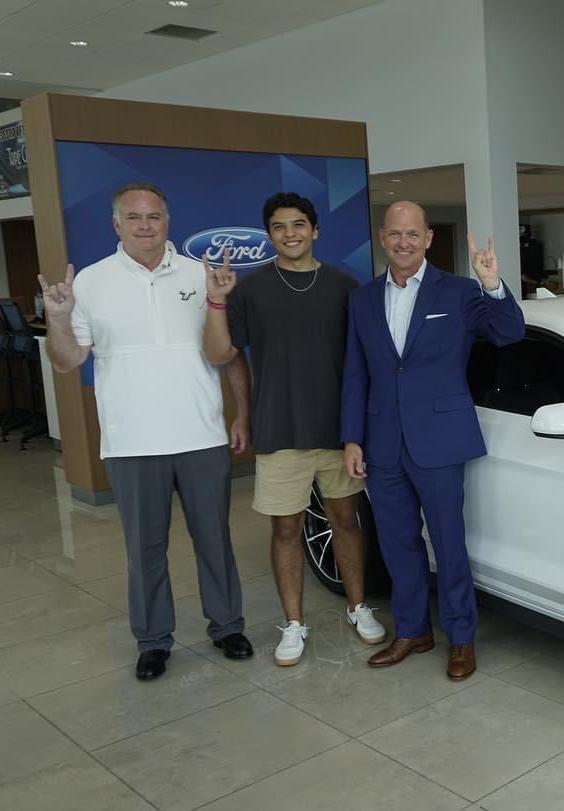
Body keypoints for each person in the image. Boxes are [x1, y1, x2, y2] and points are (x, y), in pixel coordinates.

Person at [39, 181, 251, 682]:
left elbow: (225, 355)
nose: (145, 226)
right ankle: (154, 641)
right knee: (144, 548)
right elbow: (68, 361)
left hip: (200, 435)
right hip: (132, 442)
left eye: (153, 216)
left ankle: (227, 626)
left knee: (215, 540)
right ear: (116, 224)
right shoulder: (90, 283)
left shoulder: (202, 277)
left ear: (167, 222)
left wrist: (240, 411)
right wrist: (60, 318)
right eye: (133, 218)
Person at [201, 192, 385, 667]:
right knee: (287, 529)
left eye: (299, 225)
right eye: (280, 227)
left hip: (338, 432)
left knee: (346, 522)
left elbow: (365, 362)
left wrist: (359, 428)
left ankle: (357, 606)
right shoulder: (251, 289)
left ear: (315, 230)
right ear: (270, 234)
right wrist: (217, 302)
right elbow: (224, 354)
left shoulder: (346, 285)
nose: (290, 234)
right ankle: (294, 623)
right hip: (279, 428)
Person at [341, 201, 524, 680]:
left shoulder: (461, 292)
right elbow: (356, 374)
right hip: (381, 442)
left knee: (448, 543)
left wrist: (491, 283)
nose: (403, 242)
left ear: (428, 239)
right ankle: (412, 630)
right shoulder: (362, 299)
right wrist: (351, 437)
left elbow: (509, 333)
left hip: (440, 439)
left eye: (412, 234)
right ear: (383, 238)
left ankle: (461, 637)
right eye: (394, 234)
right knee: (398, 544)